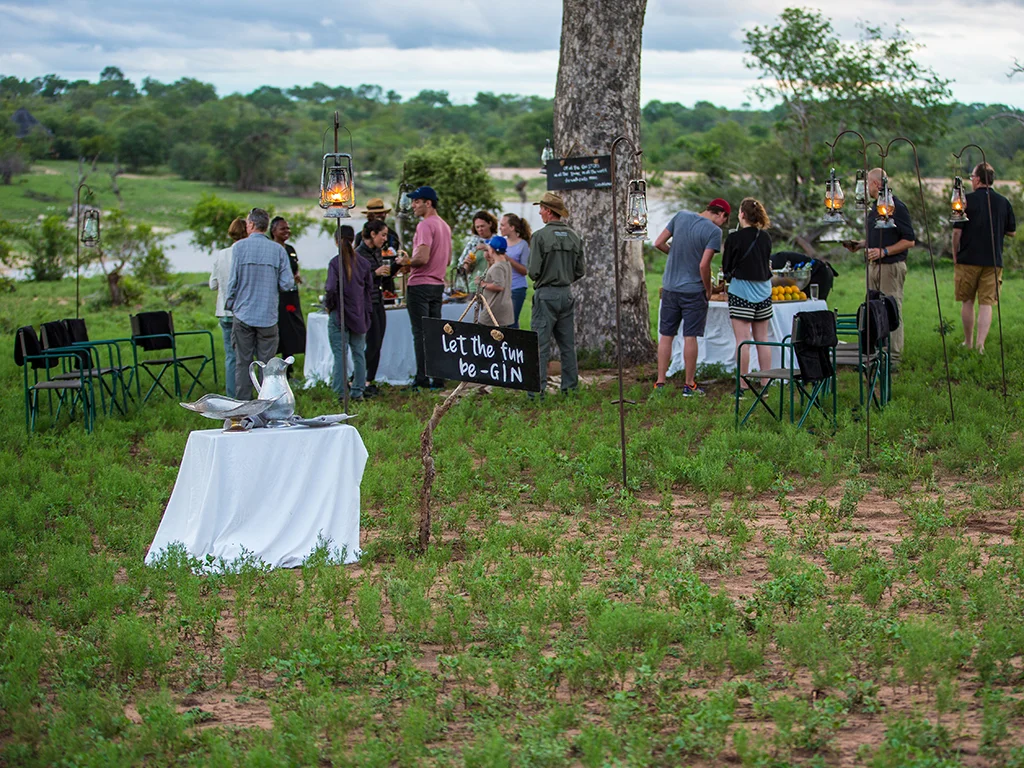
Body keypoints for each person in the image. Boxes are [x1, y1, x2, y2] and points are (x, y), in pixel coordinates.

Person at [652, 198, 731, 395]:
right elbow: (704, 265)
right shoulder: (714, 232)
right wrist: (708, 288)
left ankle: (660, 383)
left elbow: (658, 243)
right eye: (725, 220)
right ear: (722, 214)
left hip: (670, 287)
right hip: (693, 291)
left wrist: (676, 255)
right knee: (690, 336)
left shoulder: (680, 216)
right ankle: (689, 385)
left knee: (666, 335)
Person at [843, 169, 915, 364]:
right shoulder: (875, 208)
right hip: (874, 266)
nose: (866, 188)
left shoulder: (895, 207)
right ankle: (877, 353)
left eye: (868, 183)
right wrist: (860, 244)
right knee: (873, 309)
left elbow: (909, 240)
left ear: (875, 184)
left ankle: (894, 356)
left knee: (891, 308)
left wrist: (884, 251)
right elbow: (880, 235)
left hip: (890, 267)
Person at [225, 207, 294, 400]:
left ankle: (242, 409)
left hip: (244, 314)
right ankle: (268, 406)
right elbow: (287, 283)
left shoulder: (239, 248)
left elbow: (233, 281)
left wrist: (231, 304)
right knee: (268, 366)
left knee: (243, 363)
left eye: (247, 223)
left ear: (252, 225)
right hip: (268, 316)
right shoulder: (278, 250)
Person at [952, 162, 1017, 353]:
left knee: (968, 301)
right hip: (993, 260)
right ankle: (980, 345)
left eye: (972, 177)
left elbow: (957, 232)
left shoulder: (965, 201)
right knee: (987, 303)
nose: (971, 180)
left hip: (968, 259)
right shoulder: (1003, 202)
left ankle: (968, 341)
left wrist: (955, 254)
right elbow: (1012, 231)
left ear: (978, 179)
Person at [528, 192, 585, 395]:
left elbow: (533, 271)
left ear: (549, 212)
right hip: (566, 294)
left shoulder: (540, 236)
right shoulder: (575, 236)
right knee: (567, 346)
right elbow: (581, 271)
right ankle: (570, 389)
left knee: (540, 345)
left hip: (546, 294)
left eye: (542, 209)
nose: (540, 212)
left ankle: (537, 392)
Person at [396, 186, 451, 390]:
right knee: (435, 332)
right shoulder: (444, 226)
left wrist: (404, 262)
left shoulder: (425, 225)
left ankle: (421, 378)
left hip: (420, 284)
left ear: (428, 203)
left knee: (420, 333)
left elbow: (422, 257)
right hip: (438, 284)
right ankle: (438, 378)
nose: (413, 205)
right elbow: (449, 259)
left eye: (416, 202)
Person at [722, 198, 773, 391]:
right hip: (764, 292)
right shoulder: (766, 237)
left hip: (741, 292)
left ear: (741, 215)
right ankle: (765, 382)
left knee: (743, 341)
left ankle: (743, 384)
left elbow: (727, 267)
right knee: (762, 339)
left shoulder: (734, 238)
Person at [326, 227, 373, 402]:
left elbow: (331, 288)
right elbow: (369, 290)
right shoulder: (364, 263)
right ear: (354, 239)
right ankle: (358, 391)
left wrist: (329, 305)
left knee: (340, 354)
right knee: (359, 353)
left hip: (340, 314)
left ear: (336, 240)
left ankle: (339, 392)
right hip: (359, 314)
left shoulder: (335, 263)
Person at [356, 219, 396, 395]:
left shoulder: (378, 252)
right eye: (383, 235)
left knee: (378, 342)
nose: (385, 239)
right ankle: (356, 379)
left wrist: (397, 265)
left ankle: (368, 380)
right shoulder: (358, 254)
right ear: (372, 234)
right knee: (371, 343)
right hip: (367, 303)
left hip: (378, 300)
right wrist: (374, 273)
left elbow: (384, 278)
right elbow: (357, 281)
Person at [208, 217, 247, 397]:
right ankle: (246, 394)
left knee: (231, 356)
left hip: (224, 311)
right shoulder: (246, 252)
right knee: (246, 355)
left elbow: (212, 284)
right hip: (243, 311)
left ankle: (232, 395)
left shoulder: (222, 254)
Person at [269, 216, 307, 372]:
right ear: (273, 231)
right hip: (278, 296)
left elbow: (294, 268)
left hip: (292, 294)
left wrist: (296, 275)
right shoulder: (271, 249)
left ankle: (289, 362)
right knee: (281, 328)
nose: (287, 231)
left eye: (288, 228)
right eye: (283, 229)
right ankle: (276, 366)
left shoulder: (290, 249)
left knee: (293, 328)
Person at [453, 211, 498, 292]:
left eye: (482, 226)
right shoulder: (472, 243)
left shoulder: (499, 242)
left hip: (493, 286)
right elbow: (461, 273)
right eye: (477, 227)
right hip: (474, 287)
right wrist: (467, 264)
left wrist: (488, 248)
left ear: (490, 224)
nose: (480, 229)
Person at [500, 213, 532, 328]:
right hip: (502, 288)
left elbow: (524, 271)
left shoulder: (523, 245)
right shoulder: (501, 242)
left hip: (517, 288)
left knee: (511, 322)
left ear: (512, 227)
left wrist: (508, 259)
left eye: (503, 225)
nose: (500, 228)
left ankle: (516, 345)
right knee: (501, 322)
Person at [477, 235, 514, 327]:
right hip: (504, 310)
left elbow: (499, 286)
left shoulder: (497, 267)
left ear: (492, 250)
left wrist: (482, 284)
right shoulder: (506, 264)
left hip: (494, 308)